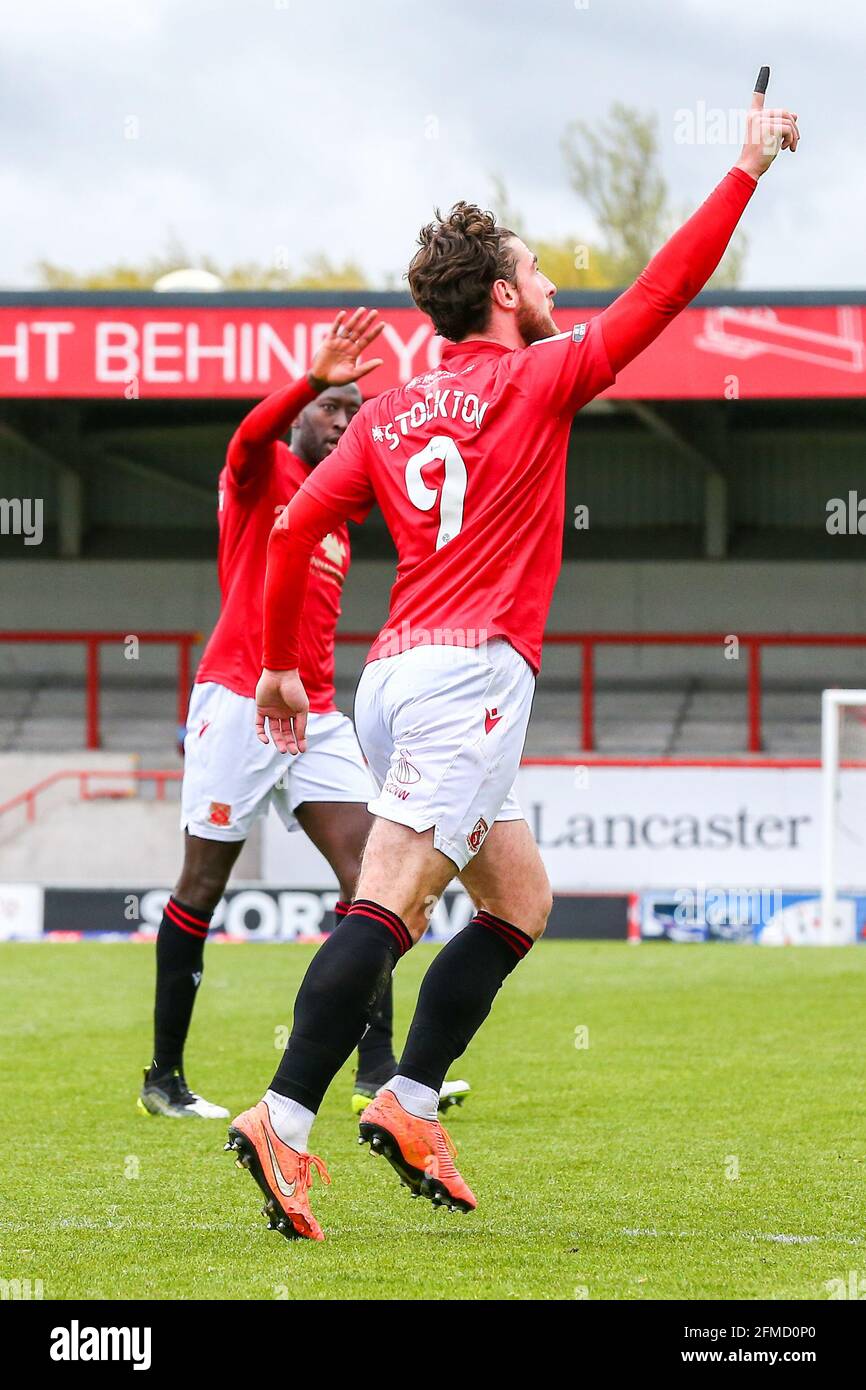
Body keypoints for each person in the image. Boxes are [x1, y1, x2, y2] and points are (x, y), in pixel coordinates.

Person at [225, 76, 799, 1240]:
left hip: (394, 676)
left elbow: (290, 526)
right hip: (470, 678)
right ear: (499, 296)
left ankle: (407, 1100)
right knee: (386, 899)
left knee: (518, 897)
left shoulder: (388, 413)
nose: (552, 291)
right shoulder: (541, 378)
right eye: (537, 274)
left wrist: (285, 664)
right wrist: (745, 168)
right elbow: (665, 291)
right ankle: (281, 1120)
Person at [139, 309, 468, 1119]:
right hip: (238, 699)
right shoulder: (260, 476)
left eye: (355, 412)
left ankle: (376, 1069)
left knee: (374, 877)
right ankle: (164, 1079)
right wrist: (314, 376)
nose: (343, 421)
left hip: (318, 715)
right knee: (203, 884)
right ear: (302, 416)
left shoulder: (337, 510)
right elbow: (248, 438)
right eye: (332, 409)